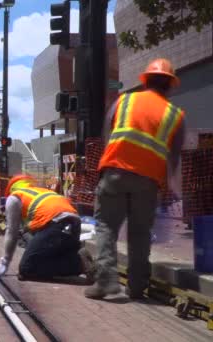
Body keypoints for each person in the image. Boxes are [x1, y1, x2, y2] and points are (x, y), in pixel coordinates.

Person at [84, 58, 185, 300]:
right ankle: (138, 286)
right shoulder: (176, 115)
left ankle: (107, 283)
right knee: (140, 232)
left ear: (145, 80)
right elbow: (174, 158)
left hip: (116, 172)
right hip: (148, 181)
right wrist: (173, 190)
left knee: (107, 226)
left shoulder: (125, 100)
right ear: (170, 85)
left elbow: (107, 135)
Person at [0, 175, 96, 281]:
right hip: (74, 225)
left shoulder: (14, 197)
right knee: (45, 253)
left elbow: (11, 232)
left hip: (56, 225)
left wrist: (5, 261)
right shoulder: (41, 191)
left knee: (27, 268)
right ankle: (75, 256)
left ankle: (79, 264)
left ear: (11, 189)